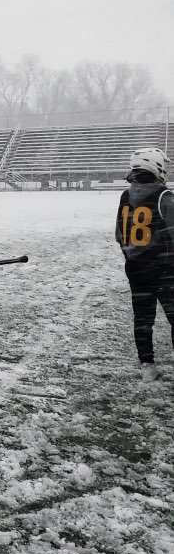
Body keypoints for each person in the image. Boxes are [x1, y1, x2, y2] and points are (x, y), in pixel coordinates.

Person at [115, 147, 174, 382]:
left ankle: (147, 366)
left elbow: (120, 235)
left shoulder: (125, 196)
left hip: (136, 267)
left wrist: (134, 256)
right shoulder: (165, 196)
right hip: (165, 268)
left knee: (143, 318)